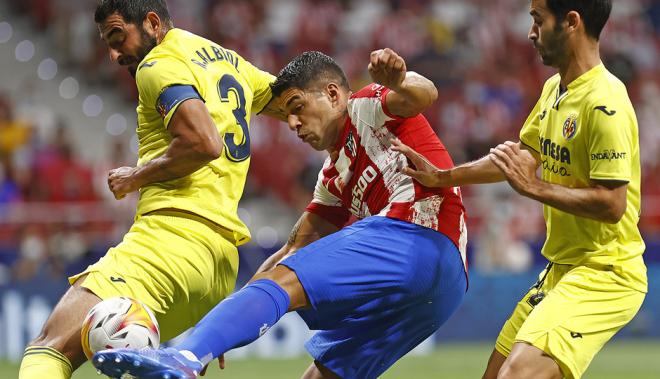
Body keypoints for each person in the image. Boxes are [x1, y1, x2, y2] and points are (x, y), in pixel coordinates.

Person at [92, 48, 468, 379]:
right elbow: (288, 254)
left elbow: (424, 94)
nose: (292, 124)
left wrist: (400, 78)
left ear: (334, 94)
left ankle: (184, 358)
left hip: (421, 235)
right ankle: (192, 351)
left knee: (291, 281)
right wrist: (223, 327)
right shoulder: (333, 178)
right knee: (325, 373)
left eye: (298, 108)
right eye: (287, 115)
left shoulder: (367, 104)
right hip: (442, 289)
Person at [19, 1, 280, 378]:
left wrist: (135, 176)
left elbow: (204, 143)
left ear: (152, 23)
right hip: (219, 267)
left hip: (171, 242)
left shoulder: (157, 65)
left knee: (50, 348)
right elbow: (293, 100)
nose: (113, 54)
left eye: (118, 37)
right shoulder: (229, 61)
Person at [391, 1, 646, 378]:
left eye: (538, 20)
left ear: (571, 22)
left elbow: (612, 204)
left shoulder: (604, 102)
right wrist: (445, 177)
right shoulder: (554, 90)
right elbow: (522, 158)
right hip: (561, 269)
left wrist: (533, 187)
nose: (531, 32)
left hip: (605, 272)